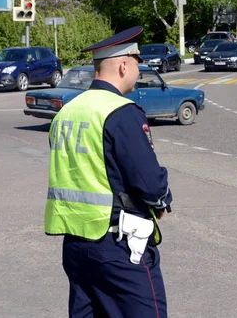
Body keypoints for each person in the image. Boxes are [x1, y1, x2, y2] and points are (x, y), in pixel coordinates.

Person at [44, 26, 172, 318]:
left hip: (76, 245)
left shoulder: (67, 112)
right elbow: (149, 183)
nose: (139, 70)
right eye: (138, 63)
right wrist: (163, 199)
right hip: (118, 247)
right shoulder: (121, 111)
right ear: (124, 64)